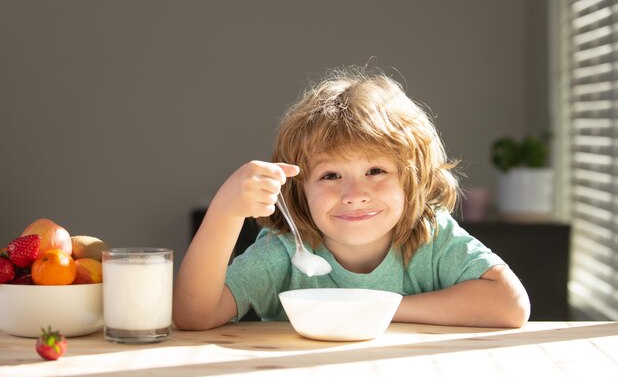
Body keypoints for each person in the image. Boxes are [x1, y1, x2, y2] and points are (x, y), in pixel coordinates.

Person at [174, 66, 530, 330]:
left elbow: (510, 305)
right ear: (299, 190)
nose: (355, 195)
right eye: (330, 175)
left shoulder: (431, 236)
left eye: (376, 171)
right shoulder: (284, 252)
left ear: (412, 179)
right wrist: (225, 210)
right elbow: (193, 315)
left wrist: (379, 308)